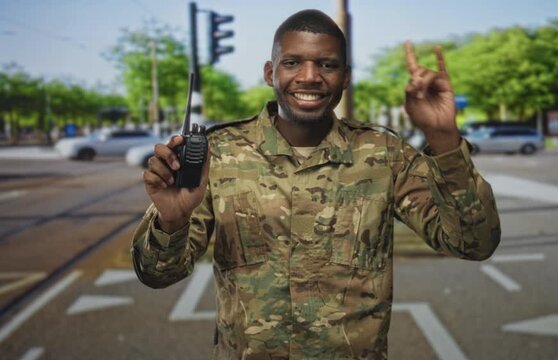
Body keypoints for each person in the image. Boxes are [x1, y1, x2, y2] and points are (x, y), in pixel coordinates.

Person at [131, 9, 500, 360]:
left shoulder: (385, 155)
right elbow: (157, 274)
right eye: (292, 63)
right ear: (269, 73)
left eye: (327, 64)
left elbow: (473, 243)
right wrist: (172, 222)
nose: (310, 76)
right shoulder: (219, 154)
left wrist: (444, 139)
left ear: (345, 77)